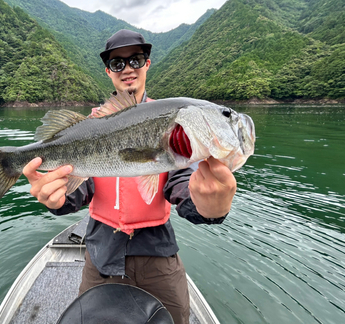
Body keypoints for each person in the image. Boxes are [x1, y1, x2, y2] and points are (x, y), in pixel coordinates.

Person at [22, 29, 237, 324]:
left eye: (135, 59)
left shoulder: (173, 124)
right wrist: (54, 198)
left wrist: (210, 207)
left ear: (147, 63)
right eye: (117, 63)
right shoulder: (88, 127)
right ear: (108, 70)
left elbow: (182, 186)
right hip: (101, 257)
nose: (127, 69)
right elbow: (75, 194)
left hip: (158, 256)